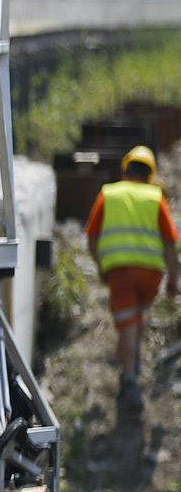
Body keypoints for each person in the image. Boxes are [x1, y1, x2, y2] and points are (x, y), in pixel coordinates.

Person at [85, 145, 179, 406]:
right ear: (150, 173)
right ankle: (131, 360)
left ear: (125, 170)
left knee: (127, 325)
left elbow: (91, 236)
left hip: (120, 272)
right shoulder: (155, 197)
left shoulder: (109, 194)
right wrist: (173, 279)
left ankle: (129, 378)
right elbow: (170, 243)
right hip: (151, 274)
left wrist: (102, 265)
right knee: (136, 318)